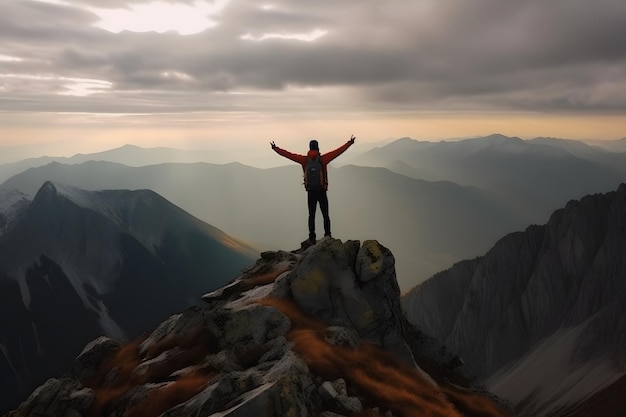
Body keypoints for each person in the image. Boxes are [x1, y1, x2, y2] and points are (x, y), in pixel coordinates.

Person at [271, 135, 355, 245]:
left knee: (312, 214)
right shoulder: (323, 160)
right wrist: (349, 143)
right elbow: (338, 152)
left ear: (309, 148)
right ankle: (328, 235)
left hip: (311, 191)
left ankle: (312, 237)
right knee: (325, 214)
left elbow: (288, 155)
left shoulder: (304, 160)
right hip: (322, 190)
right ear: (318, 148)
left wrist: (276, 148)